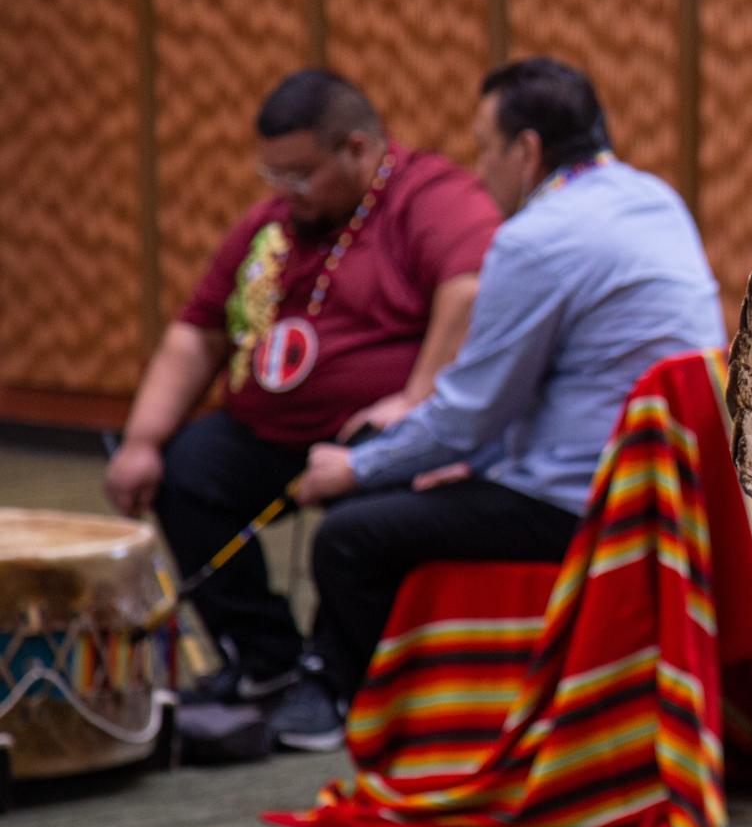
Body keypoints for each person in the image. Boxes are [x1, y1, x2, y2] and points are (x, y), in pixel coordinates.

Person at [276, 57, 727, 749]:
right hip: (668, 486)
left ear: (527, 151)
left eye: (484, 149)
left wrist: (354, 469)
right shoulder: (653, 198)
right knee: (409, 471)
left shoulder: (536, 238)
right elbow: (538, 391)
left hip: (579, 500)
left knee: (350, 531)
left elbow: (467, 415)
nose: (476, 170)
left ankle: (371, 710)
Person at [104, 69, 497, 703]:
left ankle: (338, 673)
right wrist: (141, 440)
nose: (287, 191)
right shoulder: (273, 225)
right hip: (271, 434)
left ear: (358, 150)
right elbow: (196, 333)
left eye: (301, 173)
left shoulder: (429, 196)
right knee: (189, 469)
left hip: (374, 434)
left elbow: (471, 289)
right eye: (274, 175)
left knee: (369, 507)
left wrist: (416, 400)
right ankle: (264, 655)